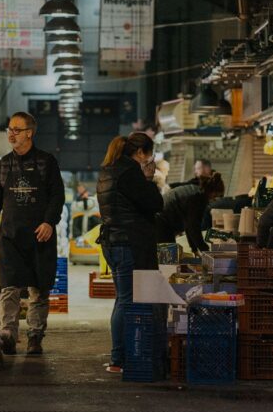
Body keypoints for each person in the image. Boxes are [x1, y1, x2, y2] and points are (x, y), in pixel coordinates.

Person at [0, 112, 65, 356]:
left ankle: (35, 336)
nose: (11, 133)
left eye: (17, 129)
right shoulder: (4, 164)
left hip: (40, 237)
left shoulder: (46, 162)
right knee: (9, 288)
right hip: (11, 236)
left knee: (39, 289)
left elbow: (58, 196)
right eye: (9, 129)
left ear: (30, 132)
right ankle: (8, 334)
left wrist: (49, 222)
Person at [96, 133, 163, 374]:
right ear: (142, 153)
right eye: (149, 155)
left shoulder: (108, 170)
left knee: (121, 299)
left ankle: (119, 358)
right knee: (126, 301)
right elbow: (155, 204)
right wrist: (149, 179)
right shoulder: (130, 172)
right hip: (127, 243)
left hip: (112, 242)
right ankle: (118, 360)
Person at [157, 173, 225, 254]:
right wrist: (205, 250)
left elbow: (189, 226)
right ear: (212, 191)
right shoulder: (198, 198)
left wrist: (194, 249)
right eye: (217, 195)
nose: (216, 200)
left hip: (160, 220)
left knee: (168, 256)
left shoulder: (196, 192)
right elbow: (193, 227)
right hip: (162, 221)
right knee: (167, 257)